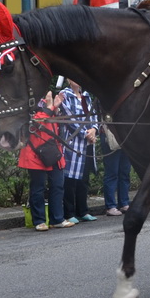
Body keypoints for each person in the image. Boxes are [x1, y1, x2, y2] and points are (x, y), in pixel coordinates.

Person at [21, 91, 73, 230]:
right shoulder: (29, 105)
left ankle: (57, 218)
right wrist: (50, 108)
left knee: (58, 185)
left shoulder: (47, 103)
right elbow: (37, 122)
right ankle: (39, 221)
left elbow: (57, 123)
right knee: (38, 188)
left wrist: (55, 108)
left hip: (53, 150)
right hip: (36, 152)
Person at [58, 80, 99, 224]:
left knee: (84, 178)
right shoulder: (65, 95)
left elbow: (94, 115)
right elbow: (69, 118)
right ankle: (69, 213)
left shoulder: (86, 96)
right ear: (68, 80)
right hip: (72, 143)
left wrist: (94, 129)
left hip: (87, 144)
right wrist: (85, 133)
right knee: (70, 179)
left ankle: (83, 211)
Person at [102, 141, 132, 216]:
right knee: (112, 173)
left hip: (125, 141)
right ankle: (110, 206)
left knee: (125, 173)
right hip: (111, 139)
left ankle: (124, 203)